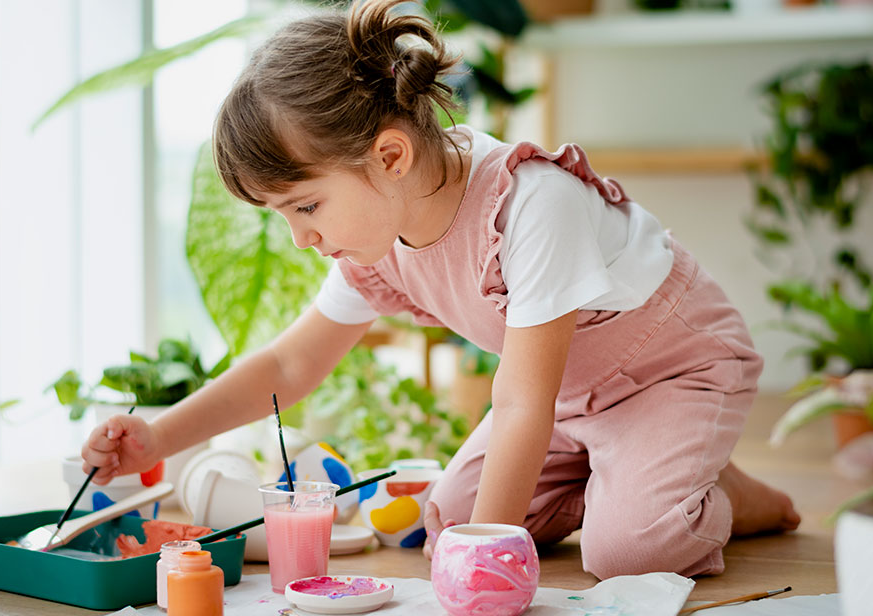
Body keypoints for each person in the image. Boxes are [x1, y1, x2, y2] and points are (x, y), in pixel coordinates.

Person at [80, 0, 800, 578]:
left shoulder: (531, 202)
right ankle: (640, 472)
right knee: (450, 520)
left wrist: (484, 563)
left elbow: (522, 402)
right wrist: (158, 435)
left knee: (628, 553)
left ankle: (722, 494)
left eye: (304, 207)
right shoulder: (379, 237)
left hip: (672, 372)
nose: (302, 237)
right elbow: (289, 365)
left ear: (388, 154)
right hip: (567, 401)